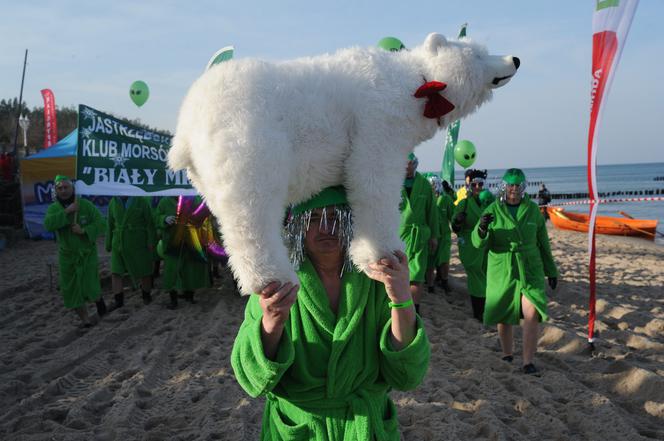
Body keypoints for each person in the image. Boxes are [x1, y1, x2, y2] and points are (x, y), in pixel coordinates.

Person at [231, 186, 430, 440]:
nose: (326, 228)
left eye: (336, 217)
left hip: (364, 426)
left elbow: (407, 375)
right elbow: (251, 379)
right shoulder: (276, 280)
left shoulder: (377, 279)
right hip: (301, 427)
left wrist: (401, 298)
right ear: (298, 225)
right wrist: (270, 323)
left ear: (352, 222)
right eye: (314, 219)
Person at [472, 168, 559, 374]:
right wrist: (482, 229)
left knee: (531, 313)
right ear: (504, 186)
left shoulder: (532, 211)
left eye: (517, 186)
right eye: (510, 185)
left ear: (523, 187)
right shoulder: (492, 210)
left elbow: (543, 243)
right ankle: (507, 353)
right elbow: (477, 243)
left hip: (529, 266)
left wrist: (551, 270)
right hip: (502, 265)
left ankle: (528, 361)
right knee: (504, 312)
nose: (513, 190)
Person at [43, 175, 107, 327]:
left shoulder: (85, 205)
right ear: (56, 191)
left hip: (86, 253)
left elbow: (101, 223)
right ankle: (85, 320)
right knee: (71, 289)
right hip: (67, 255)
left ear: (73, 188)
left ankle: (99, 302)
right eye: (60, 188)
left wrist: (84, 230)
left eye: (66, 187)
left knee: (90, 284)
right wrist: (66, 212)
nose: (63, 191)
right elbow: (48, 225)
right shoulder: (53, 209)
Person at [399, 153, 439, 315]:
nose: (408, 167)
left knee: (416, 275)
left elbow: (432, 211)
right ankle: (401, 306)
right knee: (399, 274)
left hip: (419, 237)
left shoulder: (423, 184)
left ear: (416, 164)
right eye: (405, 164)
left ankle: (415, 309)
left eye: (411, 164)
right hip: (398, 236)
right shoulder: (392, 181)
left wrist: (434, 236)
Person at [155, 196, 211, 308]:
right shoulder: (164, 201)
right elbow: (156, 217)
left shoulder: (194, 199)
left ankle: (189, 295)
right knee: (171, 270)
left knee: (190, 269)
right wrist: (164, 219)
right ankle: (173, 299)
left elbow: (205, 214)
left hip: (190, 240)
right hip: (172, 241)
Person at [105, 196, 156, 307]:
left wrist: (151, 240)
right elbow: (109, 223)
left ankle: (146, 295)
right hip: (118, 242)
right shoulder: (113, 202)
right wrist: (108, 242)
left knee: (144, 270)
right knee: (116, 271)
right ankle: (118, 300)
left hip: (138, 241)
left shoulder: (142, 200)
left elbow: (150, 222)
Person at [452, 169, 488, 321]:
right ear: (470, 186)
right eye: (475, 184)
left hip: (486, 243)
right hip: (469, 244)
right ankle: (478, 313)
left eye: (481, 184)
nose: (478, 187)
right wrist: (458, 220)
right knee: (475, 276)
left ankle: (486, 310)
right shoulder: (464, 203)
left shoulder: (489, 202)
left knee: (486, 275)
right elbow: (455, 228)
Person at [426, 177, 454, 293]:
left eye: (434, 185)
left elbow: (453, 215)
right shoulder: (426, 199)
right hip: (431, 234)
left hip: (445, 235)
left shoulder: (445, 199)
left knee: (445, 259)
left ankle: (445, 281)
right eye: (430, 185)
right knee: (430, 261)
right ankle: (430, 286)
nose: (432, 187)